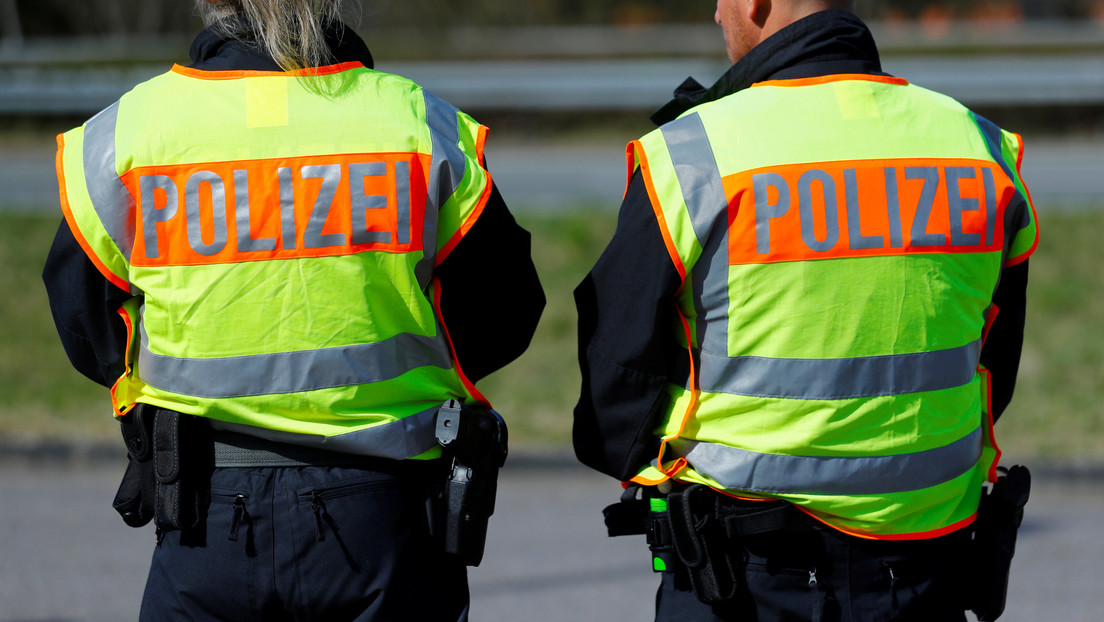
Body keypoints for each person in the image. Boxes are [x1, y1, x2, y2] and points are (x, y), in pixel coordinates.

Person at [44, 1, 544, 620]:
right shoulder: (416, 123)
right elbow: (506, 308)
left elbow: (82, 315)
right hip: (384, 514)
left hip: (205, 511)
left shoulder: (131, 132)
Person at [574, 1, 1037, 620]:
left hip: (743, 576)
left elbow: (617, 370)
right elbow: (991, 361)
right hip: (925, 570)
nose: (716, 13)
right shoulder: (978, 147)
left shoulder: (694, 152)